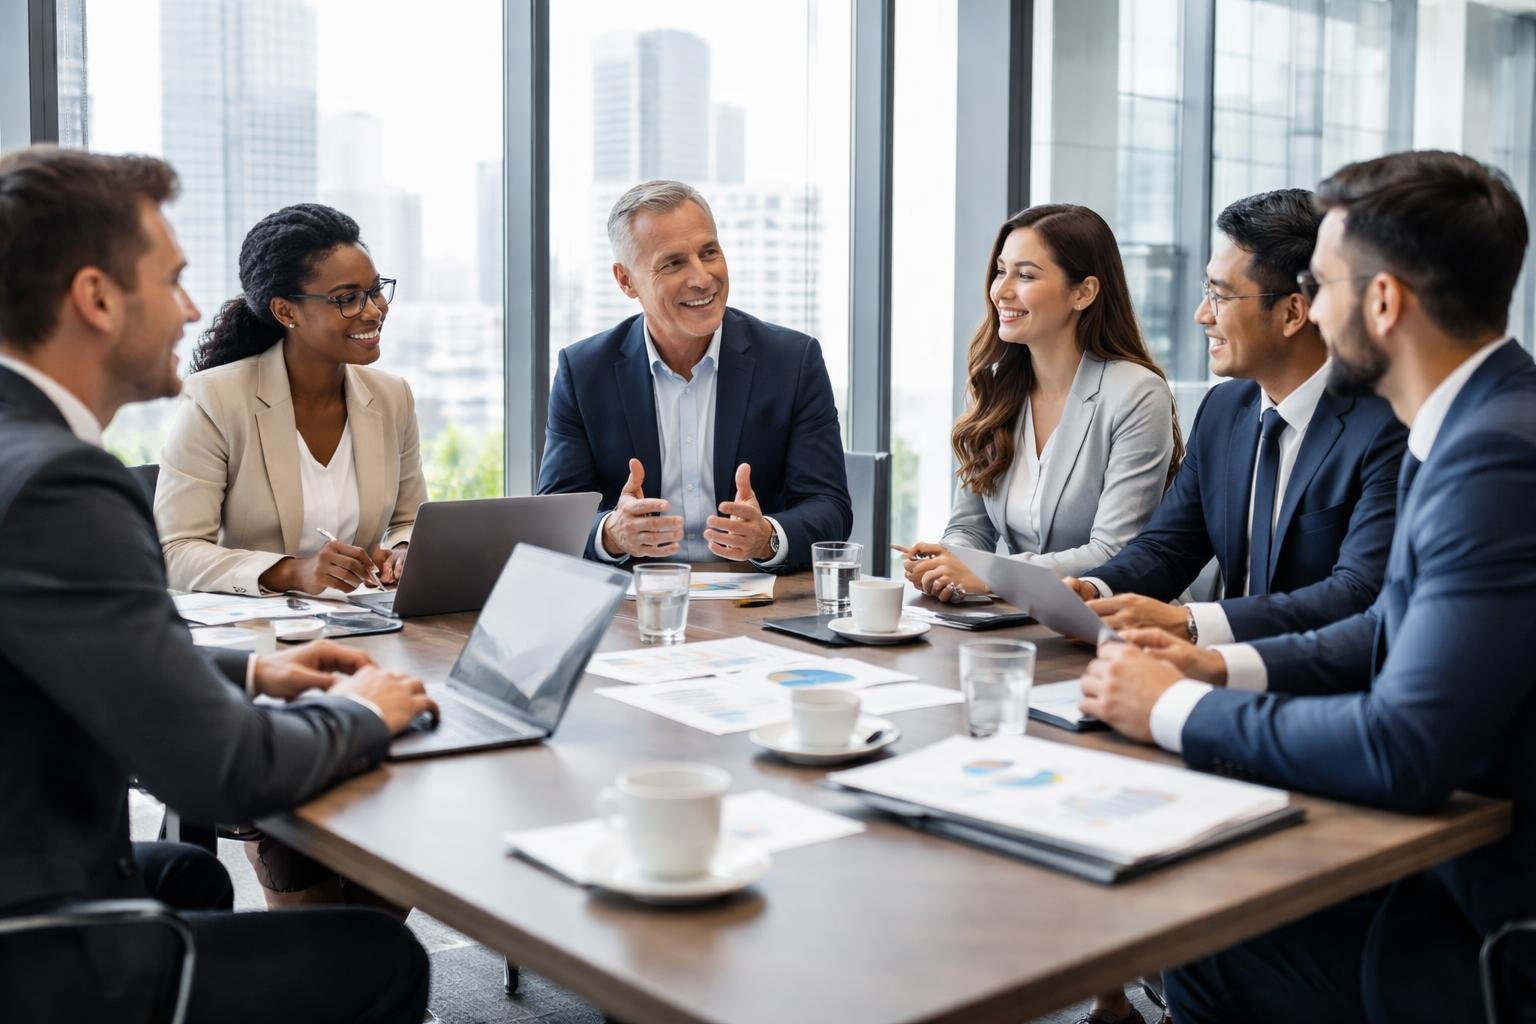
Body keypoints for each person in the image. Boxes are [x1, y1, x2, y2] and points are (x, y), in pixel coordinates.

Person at [1080, 150, 1536, 1023]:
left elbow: (1403, 747)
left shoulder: (1495, 456)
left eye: (1323, 287)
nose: (1315, 312)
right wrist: (1215, 670)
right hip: (1451, 862)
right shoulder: (1481, 420)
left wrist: (1168, 710)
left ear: (1384, 302)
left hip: (1484, 924)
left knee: (1205, 938)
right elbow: (1386, 631)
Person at [0, 147, 435, 1022]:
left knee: (191, 870)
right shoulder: (59, 484)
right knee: (377, 958)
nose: (193, 309)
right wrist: (365, 710)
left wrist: (248, 673)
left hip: (37, 857)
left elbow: (76, 649)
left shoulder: (20, 447)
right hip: (32, 934)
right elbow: (222, 773)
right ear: (95, 297)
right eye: (172, 279)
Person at [1063, 190, 1405, 652]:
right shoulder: (1224, 409)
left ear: (1292, 312)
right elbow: (1169, 547)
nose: (1202, 315)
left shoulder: (1387, 426)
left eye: (1220, 296)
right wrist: (1094, 591)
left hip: (1315, 685)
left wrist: (1190, 623)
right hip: (1212, 671)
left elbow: (1355, 594)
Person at [536, 179, 851, 572]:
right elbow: (554, 517)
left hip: (755, 603)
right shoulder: (583, 371)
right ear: (625, 280)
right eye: (673, 263)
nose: (702, 278)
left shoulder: (793, 361)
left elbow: (830, 507)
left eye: (709, 252)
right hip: (635, 606)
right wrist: (611, 533)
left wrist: (767, 536)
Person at [897, 204, 1181, 601]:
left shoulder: (1136, 393)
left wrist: (993, 573)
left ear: (1083, 292)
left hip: (1109, 622)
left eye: (1026, 275)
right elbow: (972, 527)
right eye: (1001, 270)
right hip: (1014, 619)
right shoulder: (997, 386)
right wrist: (946, 564)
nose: (1001, 290)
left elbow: (1114, 551)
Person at [156, 203, 426, 597]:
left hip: (364, 622)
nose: (374, 310)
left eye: (374, 291)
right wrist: (292, 572)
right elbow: (175, 551)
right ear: (286, 311)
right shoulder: (214, 400)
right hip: (257, 639)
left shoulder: (391, 397)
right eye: (346, 298)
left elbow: (411, 519)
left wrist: (403, 550)